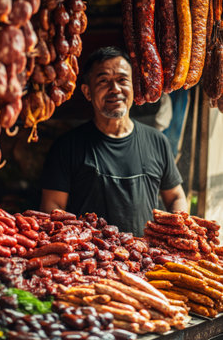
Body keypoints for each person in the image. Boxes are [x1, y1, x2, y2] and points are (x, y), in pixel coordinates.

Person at [41, 46, 187, 236]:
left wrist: (178, 233)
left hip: (147, 259)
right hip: (89, 260)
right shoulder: (67, 146)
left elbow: (176, 196)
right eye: (103, 81)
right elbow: (52, 207)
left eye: (122, 80)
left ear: (133, 86)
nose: (115, 89)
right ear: (87, 92)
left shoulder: (157, 141)